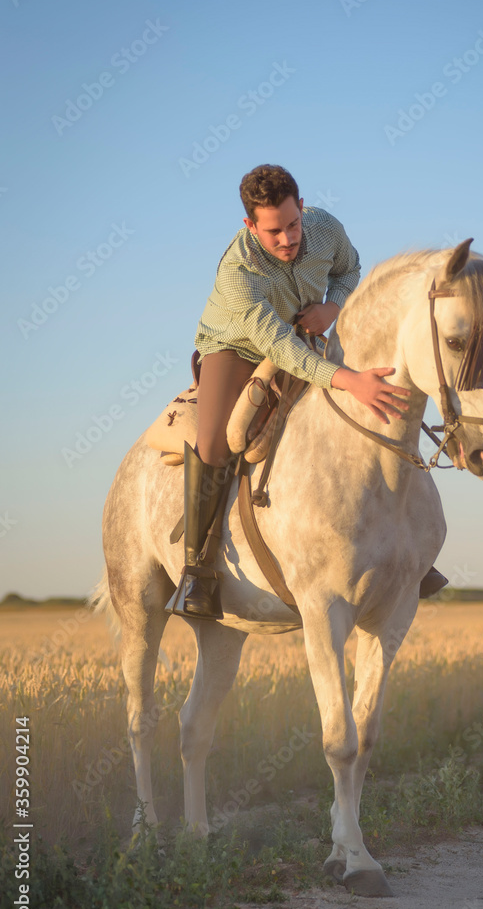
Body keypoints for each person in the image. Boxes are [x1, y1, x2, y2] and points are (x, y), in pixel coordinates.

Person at [166, 164, 446, 621]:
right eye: (273, 231)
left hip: (304, 333)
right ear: (249, 226)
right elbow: (278, 348)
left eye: (293, 224)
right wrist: (349, 379)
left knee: (378, 414)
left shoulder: (324, 226)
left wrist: (331, 308)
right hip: (237, 347)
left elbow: (350, 269)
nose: (287, 238)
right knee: (216, 442)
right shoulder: (238, 274)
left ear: (302, 206)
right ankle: (197, 570)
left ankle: (411, 550)